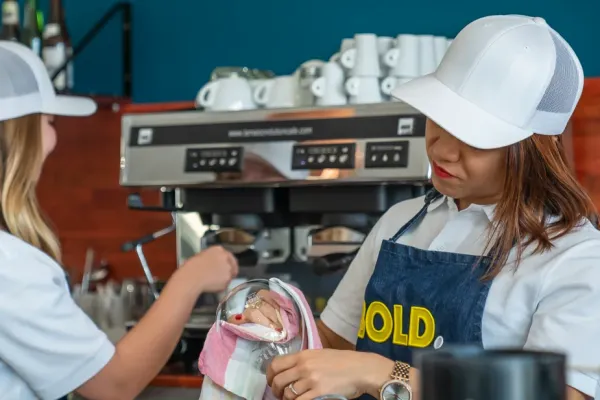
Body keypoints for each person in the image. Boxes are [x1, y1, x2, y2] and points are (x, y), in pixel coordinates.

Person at [263, 15, 600, 400]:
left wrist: (386, 374)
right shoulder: (400, 222)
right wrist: (275, 323)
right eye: (437, 117)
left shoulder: (578, 261)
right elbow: (330, 347)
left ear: (529, 148)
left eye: (473, 136)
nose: (441, 149)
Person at [0, 41, 239, 399]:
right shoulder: (10, 266)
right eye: (48, 122)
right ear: (18, 138)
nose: (53, 139)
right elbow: (114, 384)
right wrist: (191, 278)